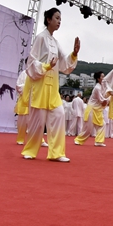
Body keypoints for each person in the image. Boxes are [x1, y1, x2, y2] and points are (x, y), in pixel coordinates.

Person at [21, 9, 80, 161]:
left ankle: (57, 153)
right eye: (56, 18)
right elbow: (31, 62)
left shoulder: (55, 42)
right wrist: (46, 66)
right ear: (48, 19)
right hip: (40, 86)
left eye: (60, 18)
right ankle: (30, 150)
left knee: (59, 115)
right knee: (38, 122)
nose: (59, 21)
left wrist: (74, 53)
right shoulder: (40, 38)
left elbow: (64, 64)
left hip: (53, 88)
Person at [75, 72, 109, 147]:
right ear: (98, 78)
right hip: (92, 109)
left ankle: (99, 141)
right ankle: (79, 140)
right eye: (102, 76)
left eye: (104, 76)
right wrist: (110, 98)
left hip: (97, 109)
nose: (104, 78)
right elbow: (102, 101)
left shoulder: (103, 87)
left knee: (102, 124)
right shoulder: (97, 88)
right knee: (88, 128)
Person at [15, 68, 29, 145]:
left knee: (36, 122)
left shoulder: (39, 72)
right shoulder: (24, 73)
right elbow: (18, 86)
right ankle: (20, 138)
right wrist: (28, 87)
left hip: (35, 100)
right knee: (22, 121)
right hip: (24, 99)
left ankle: (40, 140)